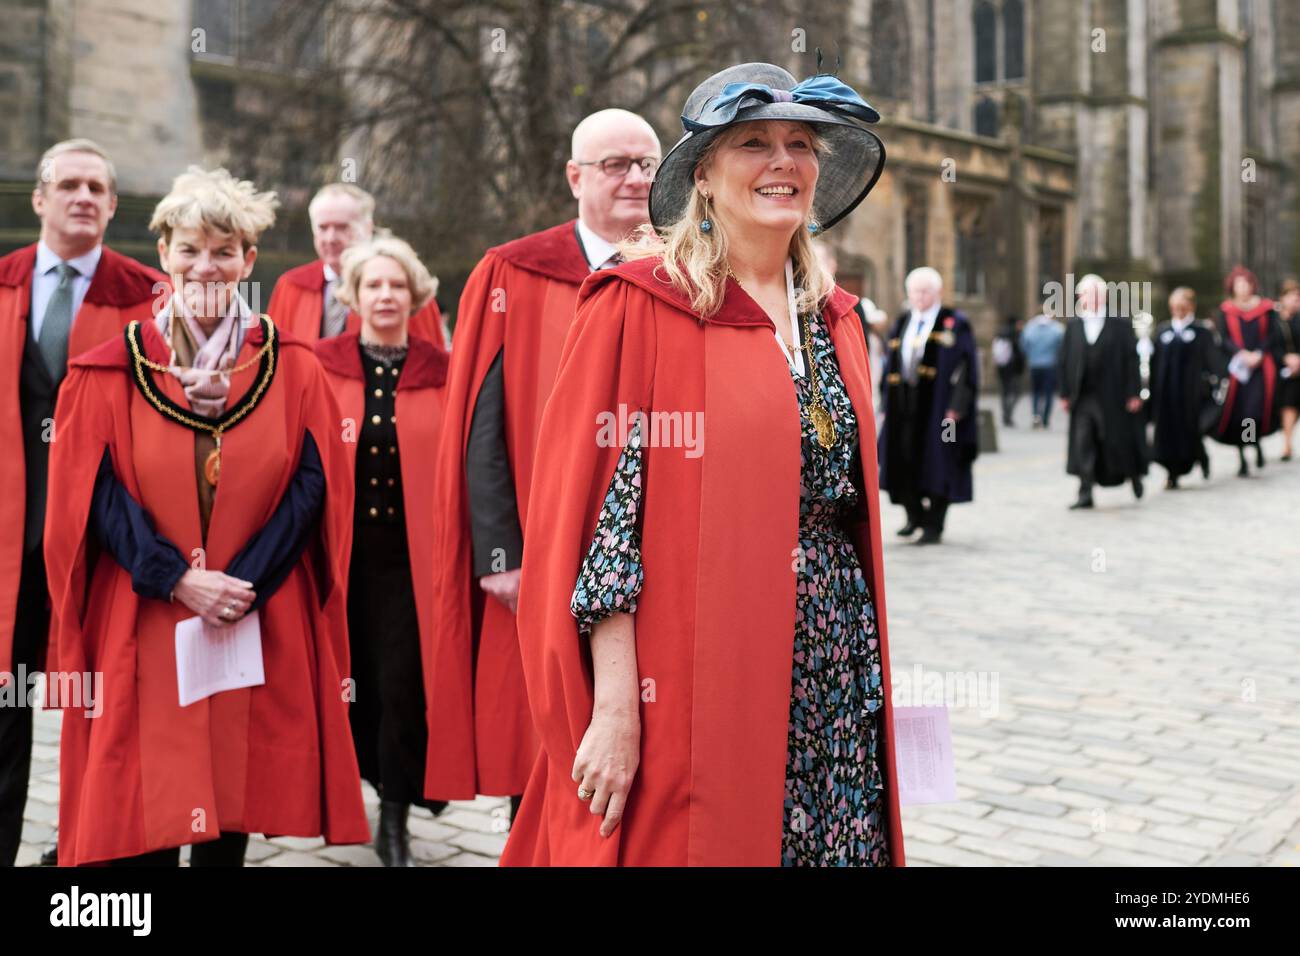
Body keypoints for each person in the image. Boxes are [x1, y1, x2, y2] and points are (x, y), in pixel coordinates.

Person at [501, 62, 904, 867]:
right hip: (692, 660)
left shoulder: (834, 322)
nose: (783, 160)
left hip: (830, 650)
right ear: (707, 178)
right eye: (754, 143)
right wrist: (616, 707)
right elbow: (601, 533)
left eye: (800, 143)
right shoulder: (643, 305)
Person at [44, 167, 368, 866]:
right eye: (190, 248)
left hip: (249, 609)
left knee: (229, 798)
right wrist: (177, 580)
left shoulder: (292, 367)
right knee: (148, 802)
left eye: (225, 251)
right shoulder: (111, 368)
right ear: (163, 254)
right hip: (149, 608)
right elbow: (94, 497)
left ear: (250, 262)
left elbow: (311, 493)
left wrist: (238, 587)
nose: (206, 266)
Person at [426, 109, 659, 818]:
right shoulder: (514, 271)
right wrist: (500, 552)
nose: (636, 178)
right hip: (540, 545)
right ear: (575, 177)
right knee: (540, 744)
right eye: (616, 164)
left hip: (651, 553)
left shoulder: (688, 268)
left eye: (648, 163)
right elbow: (480, 425)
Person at [0, 139, 165, 868]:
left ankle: (87, 850)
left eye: (98, 187)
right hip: (8, 543)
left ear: (113, 204)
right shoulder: (1, 283)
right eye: (68, 184)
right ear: (38, 198)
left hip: (102, 544)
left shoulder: (148, 295)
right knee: (6, 706)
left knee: (101, 705)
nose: (83, 197)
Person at [315, 237, 449, 866]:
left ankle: (393, 819)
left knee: (401, 684)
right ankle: (353, 792)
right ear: (354, 295)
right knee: (350, 681)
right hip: (336, 557)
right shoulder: (320, 363)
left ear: (415, 294)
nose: (387, 296)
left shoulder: (441, 368)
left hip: (409, 561)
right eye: (374, 286)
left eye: (397, 286)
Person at [266, 183, 448, 347]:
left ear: (368, 227)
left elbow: (431, 366)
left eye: (342, 227)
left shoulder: (404, 288)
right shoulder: (291, 286)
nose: (331, 238)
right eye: (323, 227)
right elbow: (274, 361)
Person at [877, 267, 979, 545]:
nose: (920, 297)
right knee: (901, 460)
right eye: (915, 291)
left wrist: (956, 407)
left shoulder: (954, 323)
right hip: (903, 408)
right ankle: (913, 516)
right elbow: (889, 367)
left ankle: (934, 524)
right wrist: (885, 402)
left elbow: (966, 367)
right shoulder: (902, 322)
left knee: (940, 461)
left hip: (941, 411)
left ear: (939, 293)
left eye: (926, 291)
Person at [1058, 273, 1148, 508]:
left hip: (1113, 395)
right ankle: (1085, 491)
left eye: (1094, 293)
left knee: (1116, 441)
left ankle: (1133, 475)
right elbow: (1065, 360)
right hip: (1084, 396)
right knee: (1083, 441)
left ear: (1104, 296)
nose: (1089, 298)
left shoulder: (1121, 325)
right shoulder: (1074, 327)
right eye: (1085, 294)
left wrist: (1134, 392)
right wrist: (1065, 393)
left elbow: (1132, 360)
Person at [1210, 265, 1284, 476]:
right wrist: (1241, 353)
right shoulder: (1226, 310)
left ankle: (1255, 442)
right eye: (1238, 285)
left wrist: (1259, 353)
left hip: (1261, 368)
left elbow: (1273, 335)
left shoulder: (1265, 309)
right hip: (1239, 369)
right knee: (1239, 413)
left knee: (1254, 410)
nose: (1243, 288)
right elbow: (1223, 339)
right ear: (1232, 287)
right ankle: (1244, 454)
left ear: (1252, 286)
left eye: (1246, 284)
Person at [1149, 287, 1219, 488]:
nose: (1178, 311)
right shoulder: (1163, 331)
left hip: (1191, 393)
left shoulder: (1201, 332)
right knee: (1168, 434)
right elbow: (1155, 363)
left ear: (1191, 307)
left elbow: (1212, 361)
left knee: (1190, 432)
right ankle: (1172, 473)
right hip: (1166, 393)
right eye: (1174, 307)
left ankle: (1200, 458)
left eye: (1182, 307)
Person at [1021, 304, 1065, 428]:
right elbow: (1062, 347)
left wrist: (1031, 356)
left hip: (1034, 364)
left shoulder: (1030, 327)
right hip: (1050, 365)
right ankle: (1045, 418)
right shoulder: (1057, 329)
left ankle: (1036, 415)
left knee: (1035, 392)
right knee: (1048, 393)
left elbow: (1024, 345)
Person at [1274, 278, 1300, 461]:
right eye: (1294, 297)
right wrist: (1285, 358)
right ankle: (1287, 444)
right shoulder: (1274, 320)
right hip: (1284, 371)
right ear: (1283, 298)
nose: (1297, 301)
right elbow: (1270, 345)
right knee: (1289, 404)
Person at [992, 315, 1026, 426]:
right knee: (1016, 392)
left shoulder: (1000, 334)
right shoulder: (1015, 335)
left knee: (1005, 392)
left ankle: (1005, 414)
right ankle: (1008, 414)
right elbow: (1019, 354)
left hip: (1002, 368)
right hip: (1013, 369)